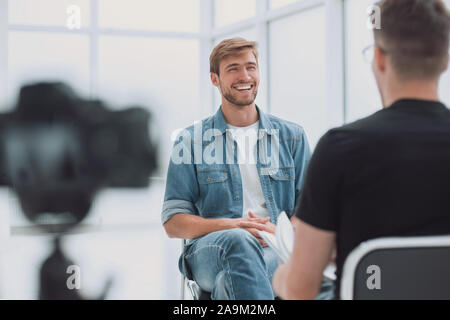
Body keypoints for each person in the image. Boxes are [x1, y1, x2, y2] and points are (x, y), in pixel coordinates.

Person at [273, 0, 450, 300]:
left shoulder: (340, 148)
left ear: (380, 59)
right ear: (445, 60)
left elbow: (300, 289)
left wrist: (281, 274)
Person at [162, 38, 316, 299]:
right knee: (239, 242)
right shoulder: (190, 141)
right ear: (215, 79)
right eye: (233, 68)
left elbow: (311, 209)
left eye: (251, 67)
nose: (245, 76)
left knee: (227, 284)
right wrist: (232, 226)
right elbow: (173, 223)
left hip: (274, 248)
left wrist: (278, 234)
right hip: (211, 251)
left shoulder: (292, 137)